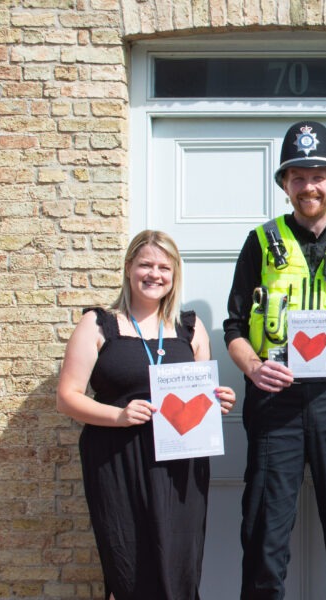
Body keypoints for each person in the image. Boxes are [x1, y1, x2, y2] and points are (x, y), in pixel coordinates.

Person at [224, 120, 326, 600]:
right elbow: (234, 328)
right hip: (274, 393)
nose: (308, 186)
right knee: (264, 529)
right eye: (297, 177)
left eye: (318, 176)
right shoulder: (260, 242)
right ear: (284, 185)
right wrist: (254, 368)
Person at [56, 230, 237, 600]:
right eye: (145, 265)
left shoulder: (190, 326)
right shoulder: (99, 323)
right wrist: (118, 416)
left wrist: (218, 399)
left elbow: (201, 391)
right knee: (128, 564)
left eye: (163, 267)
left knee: (179, 563)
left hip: (181, 461)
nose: (154, 274)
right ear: (128, 268)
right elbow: (67, 397)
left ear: (174, 275)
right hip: (118, 458)